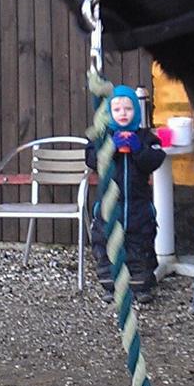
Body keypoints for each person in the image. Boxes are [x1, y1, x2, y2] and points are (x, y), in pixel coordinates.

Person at [85, 85, 166, 303]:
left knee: (140, 246)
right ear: (110, 113)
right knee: (106, 245)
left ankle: (141, 287)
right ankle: (111, 287)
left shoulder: (145, 137)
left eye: (128, 109)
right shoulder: (103, 136)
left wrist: (138, 148)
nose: (123, 113)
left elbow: (155, 160)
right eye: (118, 109)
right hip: (109, 207)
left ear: (136, 112)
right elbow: (92, 158)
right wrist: (111, 148)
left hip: (138, 207)